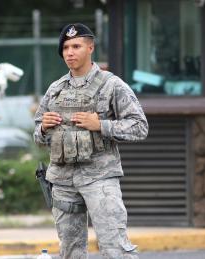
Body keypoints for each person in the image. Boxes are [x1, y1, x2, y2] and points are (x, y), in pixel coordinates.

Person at [33, 23, 148, 259]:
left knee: (115, 248)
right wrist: (43, 127)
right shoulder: (55, 89)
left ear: (90, 48)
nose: (69, 52)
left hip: (100, 177)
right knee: (70, 251)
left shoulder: (111, 85)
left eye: (76, 46)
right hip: (63, 181)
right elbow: (38, 134)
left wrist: (101, 126)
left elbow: (139, 126)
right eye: (65, 47)